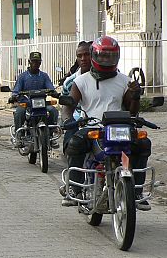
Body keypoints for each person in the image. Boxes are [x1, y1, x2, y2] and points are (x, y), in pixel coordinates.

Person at [62, 35, 150, 210]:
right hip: (92, 127)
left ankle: (137, 190)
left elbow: (132, 111)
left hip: (120, 127)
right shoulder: (81, 81)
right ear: (95, 55)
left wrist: (136, 96)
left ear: (116, 57)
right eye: (102, 55)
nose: (106, 59)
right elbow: (69, 104)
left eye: (110, 56)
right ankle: (74, 188)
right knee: (75, 143)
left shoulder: (124, 81)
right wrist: (67, 119)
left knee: (144, 143)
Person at [10, 51, 59, 144]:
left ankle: (50, 135)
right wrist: (14, 96)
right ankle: (18, 136)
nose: (36, 64)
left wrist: (55, 93)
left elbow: (50, 88)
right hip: (27, 104)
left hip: (41, 104)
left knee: (53, 111)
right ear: (29, 62)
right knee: (19, 112)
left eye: (38, 62)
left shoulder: (44, 76)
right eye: (33, 61)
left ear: (40, 63)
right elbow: (16, 90)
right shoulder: (23, 76)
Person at [59, 41, 92, 149]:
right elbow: (65, 107)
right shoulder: (70, 82)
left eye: (87, 54)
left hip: (103, 124)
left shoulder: (112, 77)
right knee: (72, 147)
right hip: (78, 125)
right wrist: (69, 121)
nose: (83, 58)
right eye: (79, 56)